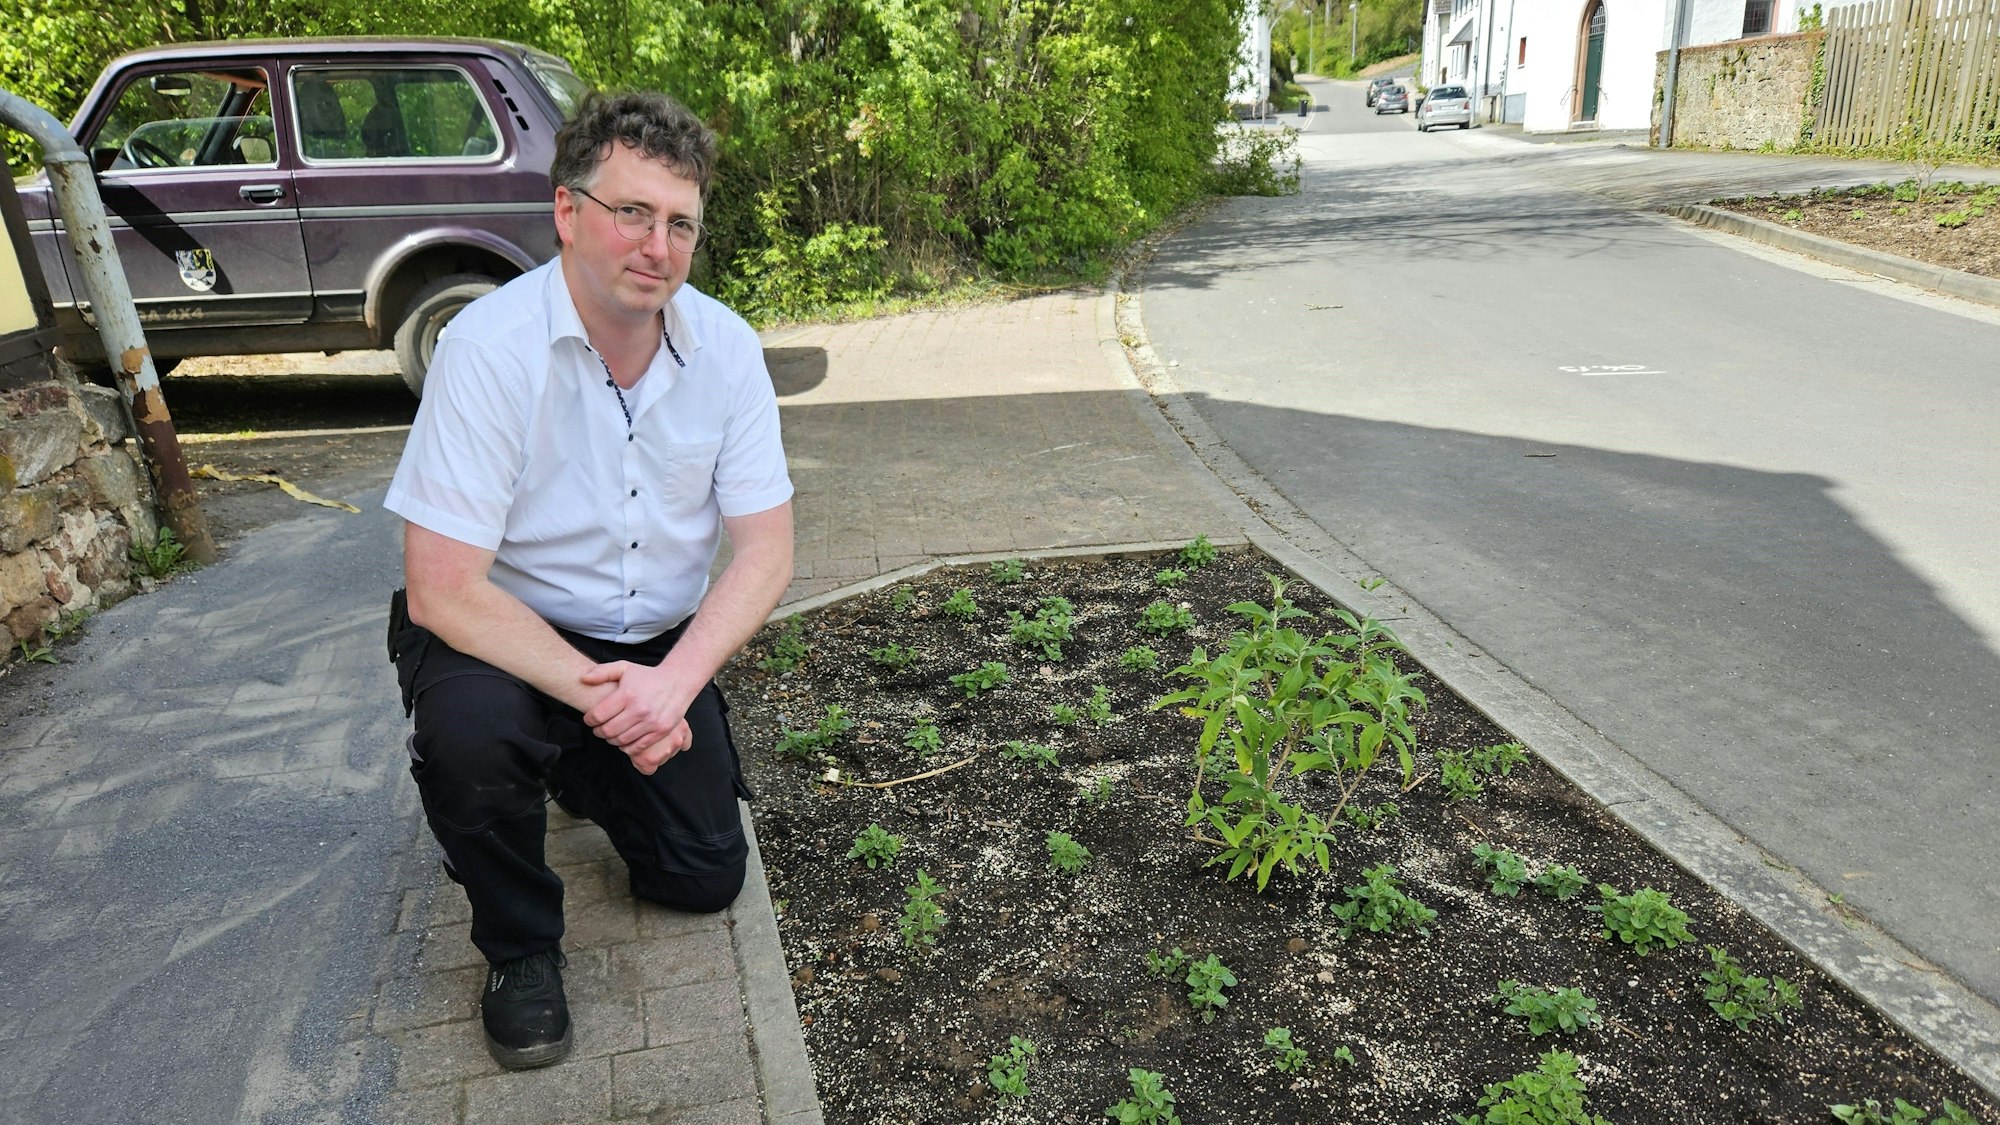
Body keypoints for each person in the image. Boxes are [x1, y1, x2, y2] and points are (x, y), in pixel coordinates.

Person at [384, 90, 794, 1070]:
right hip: (501, 634)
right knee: (471, 742)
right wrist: (615, 702)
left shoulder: (727, 353)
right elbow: (441, 588)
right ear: (568, 213)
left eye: (680, 222)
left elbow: (766, 552)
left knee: (702, 877)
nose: (658, 244)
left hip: (651, 646)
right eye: (632, 212)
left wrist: (669, 687)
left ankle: (571, 763)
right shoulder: (487, 349)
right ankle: (518, 945)